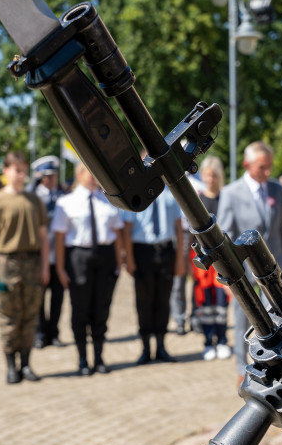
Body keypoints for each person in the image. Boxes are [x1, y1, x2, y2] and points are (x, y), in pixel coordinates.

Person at [0, 152, 50, 384]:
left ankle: (27, 364)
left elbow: (43, 237)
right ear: (6, 171)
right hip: (6, 264)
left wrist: (45, 267)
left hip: (32, 262)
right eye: (17, 170)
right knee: (9, 317)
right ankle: (11, 366)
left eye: (23, 170)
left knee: (30, 316)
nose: (21, 174)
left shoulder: (34, 200)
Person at [217, 141, 282, 366]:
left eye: (270, 167)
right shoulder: (231, 193)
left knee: (274, 320)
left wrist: (281, 265)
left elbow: (280, 231)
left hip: (271, 272)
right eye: (262, 167)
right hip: (243, 273)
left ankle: (271, 363)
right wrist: (228, 275)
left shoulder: (277, 190)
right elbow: (223, 238)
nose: (267, 172)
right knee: (244, 320)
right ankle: (243, 365)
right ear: (247, 164)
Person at [52, 162, 126, 376]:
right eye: (88, 172)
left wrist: (118, 262)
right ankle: (83, 359)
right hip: (78, 259)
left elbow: (117, 232)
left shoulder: (109, 200)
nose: (93, 177)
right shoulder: (67, 202)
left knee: (101, 311)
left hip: (104, 258)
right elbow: (59, 238)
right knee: (80, 311)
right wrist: (60, 269)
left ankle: (99, 357)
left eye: (96, 172)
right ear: (79, 174)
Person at [123, 175, 186, 365]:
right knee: (144, 301)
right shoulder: (134, 194)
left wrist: (180, 260)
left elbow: (178, 227)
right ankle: (145, 348)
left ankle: (160, 345)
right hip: (143, 251)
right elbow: (127, 229)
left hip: (166, 250)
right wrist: (130, 259)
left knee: (163, 300)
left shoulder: (169, 193)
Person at [192, 156, 230, 360]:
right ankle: (208, 340)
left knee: (222, 300)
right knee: (205, 300)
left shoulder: (226, 197)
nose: (211, 179)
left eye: (214, 175)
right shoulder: (197, 199)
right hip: (204, 260)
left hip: (222, 258)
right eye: (207, 175)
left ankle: (222, 339)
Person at [29, 155, 66, 348]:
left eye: (54, 175)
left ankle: (54, 332)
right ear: (42, 177)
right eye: (50, 176)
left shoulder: (62, 196)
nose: (53, 179)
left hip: (58, 256)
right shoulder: (34, 198)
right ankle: (39, 333)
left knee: (57, 297)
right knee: (39, 298)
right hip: (39, 256)